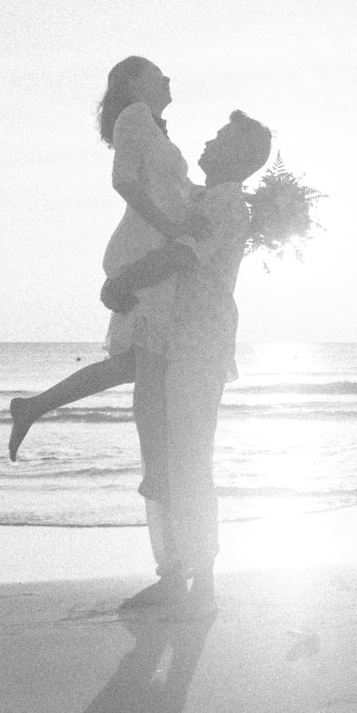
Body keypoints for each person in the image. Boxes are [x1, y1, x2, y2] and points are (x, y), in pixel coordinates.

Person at [102, 110, 273, 617]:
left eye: (221, 138)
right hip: (168, 333)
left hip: (199, 337)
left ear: (240, 156)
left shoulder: (226, 205)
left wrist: (121, 282)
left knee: (190, 456)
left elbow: (182, 256)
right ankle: (172, 574)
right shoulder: (197, 196)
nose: (210, 140)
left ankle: (203, 582)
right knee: (159, 452)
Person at [8, 56, 206, 461]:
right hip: (145, 244)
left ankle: (32, 407)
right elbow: (124, 181)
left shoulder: (152, 128)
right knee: (148, 363)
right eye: (156, 73)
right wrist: (170, 229)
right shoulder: (134, 116)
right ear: (133, 84)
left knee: (136, 364)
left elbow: (179, 188)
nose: (167, 78)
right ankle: (161, 467)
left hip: (157, 239)